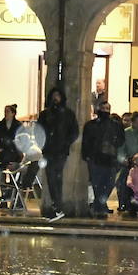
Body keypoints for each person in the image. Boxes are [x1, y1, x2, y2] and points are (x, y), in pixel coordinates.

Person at [37, 87, 79, 219]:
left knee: (58, 177)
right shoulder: (45, 115)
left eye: (58, 96)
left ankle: (58, 204)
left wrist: (66, 143)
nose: (55, 98)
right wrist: (43, 144)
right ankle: (56, 204)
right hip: (48, 151)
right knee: (51, 178)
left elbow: (74, 131)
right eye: (53, 96)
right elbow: (39, 131)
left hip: (61, 150)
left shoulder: (68, 114)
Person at [81, 100, 125, 217]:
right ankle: (100, 206)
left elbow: (121, 140)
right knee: (97, 184)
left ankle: (98, 205)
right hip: (95, 158)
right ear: (98, 109)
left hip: (110, 159)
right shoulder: (91, 125)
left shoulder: (115, 125)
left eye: (107, 108)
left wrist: (112, 145)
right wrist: (87, 156)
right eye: (103, 108)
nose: (105, 111)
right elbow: (85, 142)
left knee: (109, 183)